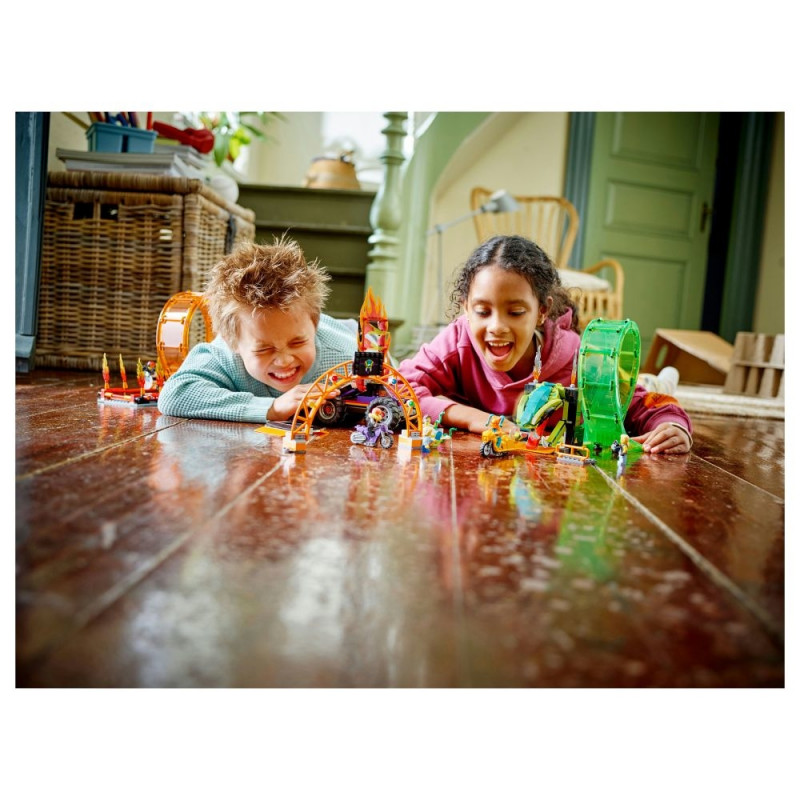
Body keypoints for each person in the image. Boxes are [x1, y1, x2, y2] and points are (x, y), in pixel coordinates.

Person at [398, 235, 692, 454]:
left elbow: (640, 404)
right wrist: (477, 419)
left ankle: (661, 379)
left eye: (515, 312)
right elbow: (400, 387)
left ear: (541, 311)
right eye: (483, 311)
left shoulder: (577, 358)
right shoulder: (457, 339)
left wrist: (672, 425)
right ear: (465, 308)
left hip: (621, 384)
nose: (497, 326)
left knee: (645, 386)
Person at [157, 237, 356, 423]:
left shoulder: (345, 358)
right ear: (231, 342)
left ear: (314, 326)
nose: (284, 361)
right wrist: (272, 408)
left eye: (297, 342)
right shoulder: (225, 354)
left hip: (345, 332)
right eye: (264, 349)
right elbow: (175, 394)